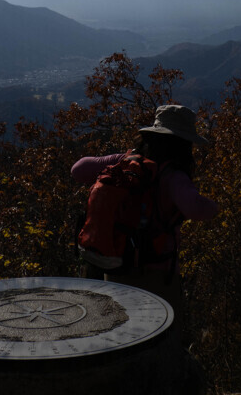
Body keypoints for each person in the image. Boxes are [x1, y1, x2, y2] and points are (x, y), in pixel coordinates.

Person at [71, 104, 217, 325]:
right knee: (159, 336)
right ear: (184, 144)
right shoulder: (174, 175)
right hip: (156, 275)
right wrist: (218, 207)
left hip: (116, 266)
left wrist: (120, 163)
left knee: (115, 331)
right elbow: (195, 208)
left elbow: (78, 170)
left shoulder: (127, 162)